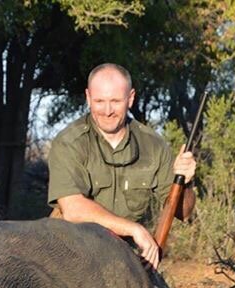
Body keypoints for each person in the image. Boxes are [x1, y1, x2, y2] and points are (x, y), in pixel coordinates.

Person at [47, 63, 196, 269]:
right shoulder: (68, 142)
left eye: (115, 101)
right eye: (99, 101)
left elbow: (183, 212)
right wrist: (135, 230)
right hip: (70, 252)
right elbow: (72, 209)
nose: (107, 111)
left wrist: (185, 182)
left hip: (123, 255)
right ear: (88, 97)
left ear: (131, 98)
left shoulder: (153, 144)